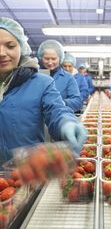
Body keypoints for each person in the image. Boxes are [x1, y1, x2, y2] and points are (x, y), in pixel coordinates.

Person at [0, 17, 87, 162]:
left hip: (28, 173)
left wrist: (66, 122)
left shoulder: (41, 83)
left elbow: (56, 111)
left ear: (21, 48)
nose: (2, 53)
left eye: (10, 46)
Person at [37, 40, 83, 113]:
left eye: (53, 59)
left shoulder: (68, 78)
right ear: (41, 58)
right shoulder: (34, 76)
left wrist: (61, 103)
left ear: (60, 58)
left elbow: (77, 102)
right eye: (46, 58)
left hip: (59, 119)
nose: (50, 62)